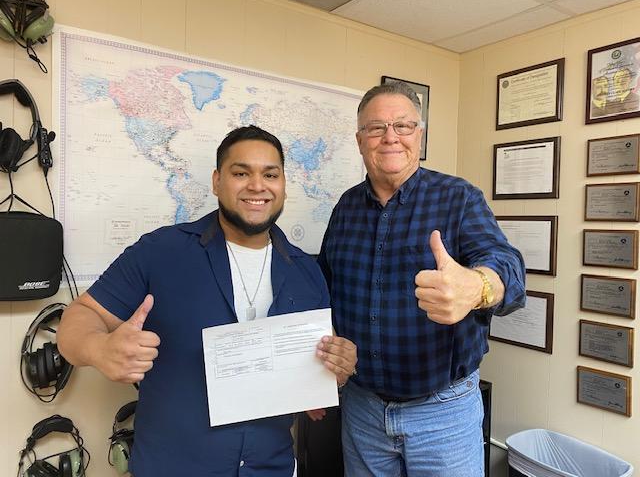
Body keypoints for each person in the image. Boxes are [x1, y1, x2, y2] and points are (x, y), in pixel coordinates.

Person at [58, 125, 357, 477]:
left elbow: (319, 365)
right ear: (217, 181)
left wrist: (337, 369)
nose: (257, 185)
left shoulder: (306, 271)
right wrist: (99, 349)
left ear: (283, 185)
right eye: (241, 173)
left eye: (270, 174)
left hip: (271, 467)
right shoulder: (161, 251)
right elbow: (79, 317)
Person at [317, 82, 526, 476]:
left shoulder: (459, 198)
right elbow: (324, 290)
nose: (390, 137)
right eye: (376, 128)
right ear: (360, 140)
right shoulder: (345, 207)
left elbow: (508, 267)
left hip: (443, 414)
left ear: (420, 135)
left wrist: (477, 286)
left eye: (403, 125)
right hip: (362, 411)